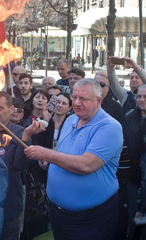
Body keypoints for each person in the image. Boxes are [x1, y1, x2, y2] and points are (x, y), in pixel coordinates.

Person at [25, 79, 122, 239]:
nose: (76, 103)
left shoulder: (109, 127)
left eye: (83, 98)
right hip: (59, 213)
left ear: (98, 100)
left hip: (90, 219)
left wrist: (46, 154)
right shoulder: (71, 119)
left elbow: (86, 165)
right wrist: (50, 162)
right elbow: (64, 151)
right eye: (74, 97)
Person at [0, 92, 44, 240]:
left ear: (11, 109)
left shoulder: (19, 132)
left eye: (0, 108)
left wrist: (26, 137)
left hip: (8, 205)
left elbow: (19, 165)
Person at [123, 84, 146, 228]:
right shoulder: (129, 117)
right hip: (133, 178)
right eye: (138, 96)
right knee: (133, 219)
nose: (141, 99)